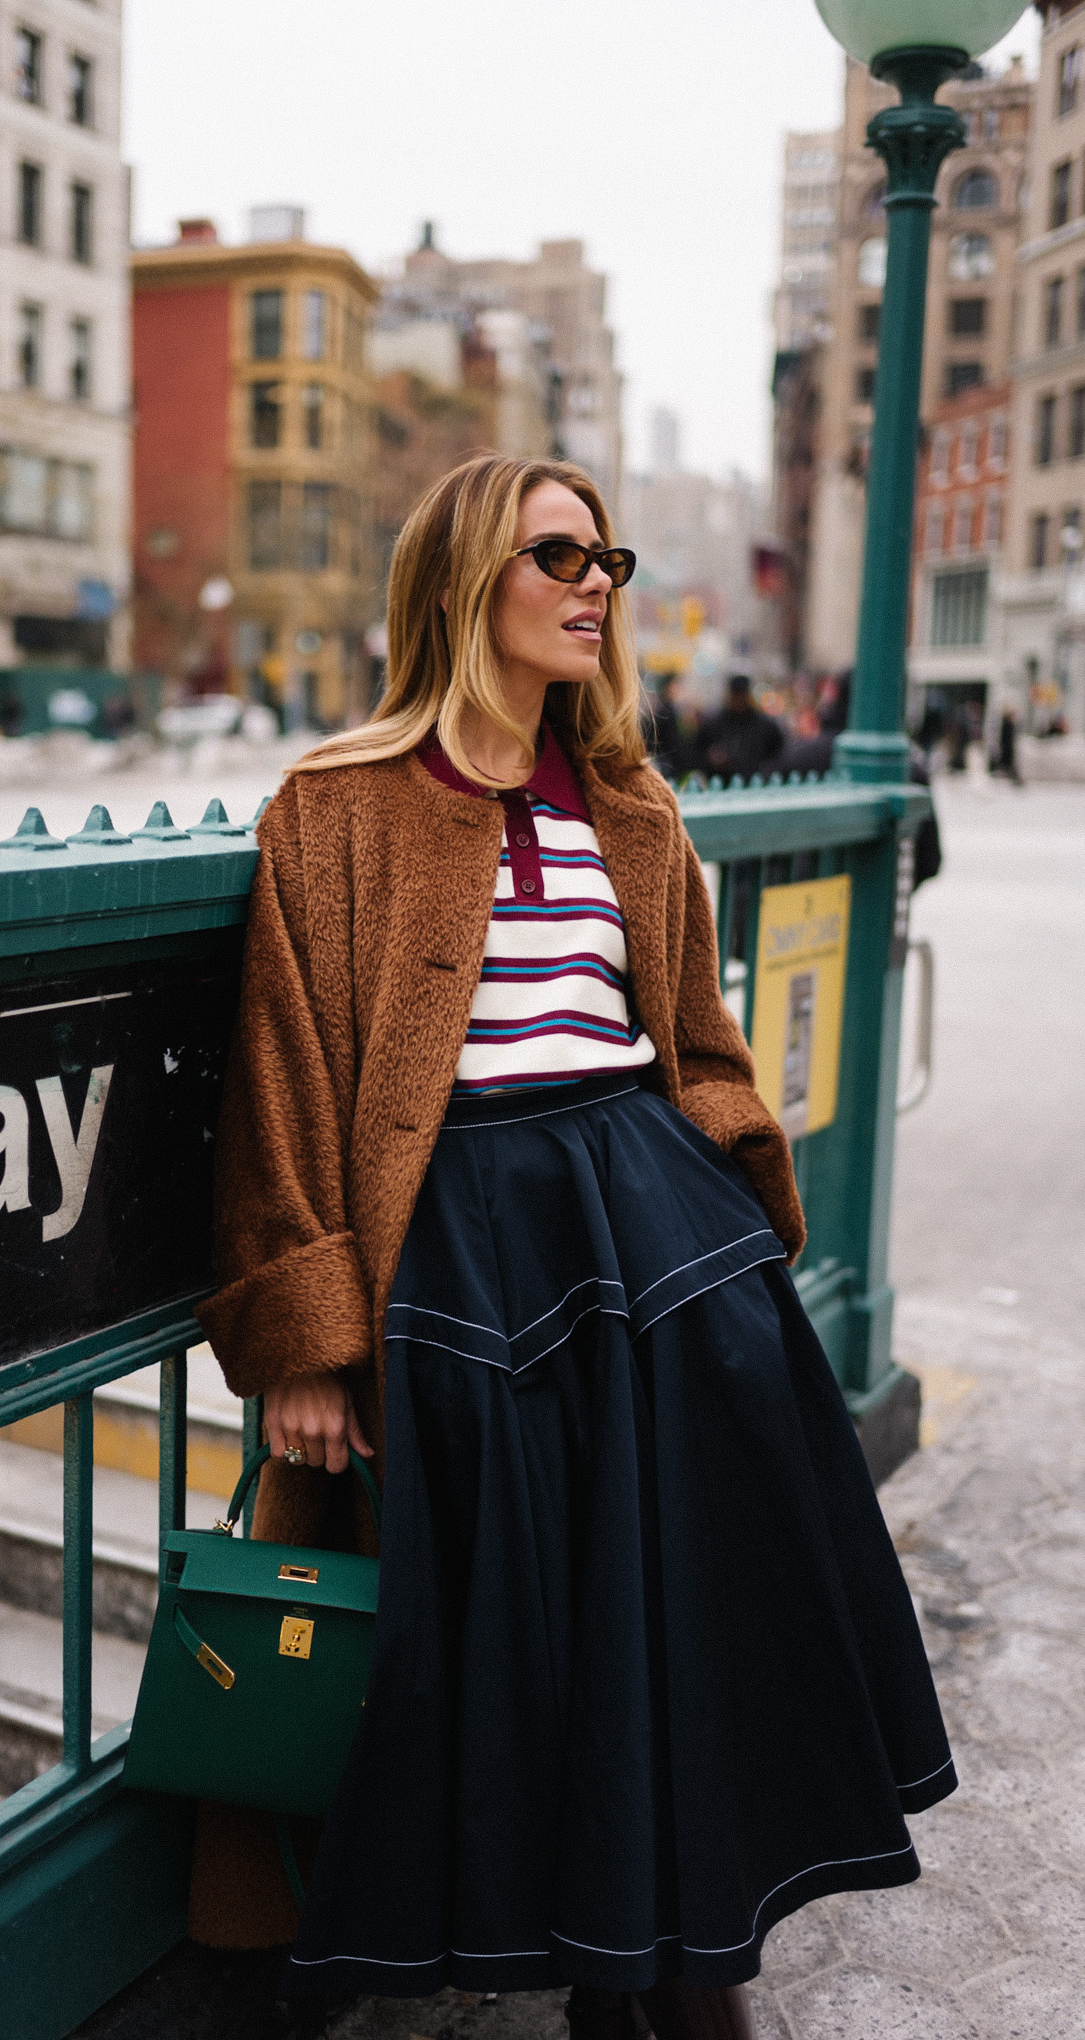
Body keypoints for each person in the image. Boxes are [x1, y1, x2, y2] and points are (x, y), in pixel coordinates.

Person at [191, 456, 955, 2040]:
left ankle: (685, 1991)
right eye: (559, 553)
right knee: (538, 1654)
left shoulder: (629, 798)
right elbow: (283, 1092)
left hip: (667, 1263)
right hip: (468, 1280)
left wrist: (740, 1193)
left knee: (683, 1642)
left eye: (605, 550)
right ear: (467, 583)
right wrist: (310, 1346)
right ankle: (624, 1981)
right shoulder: (333, 811)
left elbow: (697, 1038)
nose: (596, 579)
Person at [693, 672, 785, 782]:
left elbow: (778, 753)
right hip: (721, 782)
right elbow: (697, 752)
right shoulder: (714, 724)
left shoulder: (764, 725)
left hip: (755, 782)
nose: (739, 702)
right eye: (736, 697)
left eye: (742, 697)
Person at [646, 672, 692, 780]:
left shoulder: (664, 709)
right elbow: (671, 741)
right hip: (668, 763)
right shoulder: (666, 712)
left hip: (666, 762)